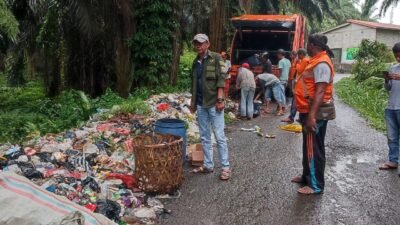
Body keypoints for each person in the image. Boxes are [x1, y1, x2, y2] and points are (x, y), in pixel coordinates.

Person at [291, 34, 335, 194]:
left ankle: (315, 185)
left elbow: (320, 91)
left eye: (308, 44)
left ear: (313, 45)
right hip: (307, 110)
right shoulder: (315, 61)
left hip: (315, 112)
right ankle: (306, 176)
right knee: (308, 146)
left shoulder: (322, 63)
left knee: (314, 148)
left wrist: (311, 116)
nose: (306, 47)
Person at [189, 33, 231, 180]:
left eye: (201, 43)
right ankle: (208, 164)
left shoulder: (216, 58)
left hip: (214, 102)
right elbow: (194, 84)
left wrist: (220, 99)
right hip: (201, 104)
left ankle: (225, 167)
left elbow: (222, 78)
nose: (198, 46)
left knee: (219, 136)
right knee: (205, 136)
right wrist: (193, 103)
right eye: (196, 43)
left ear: (208, 44)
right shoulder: (196, 63)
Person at [379, 42, 400, 171]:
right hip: (392, 106)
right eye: (396, 56)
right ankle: (393, 160)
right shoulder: (394, 68)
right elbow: (388, 88)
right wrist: (387, 80)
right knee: (392, 137)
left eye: (399, 55)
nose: (398, 58)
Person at [282, 48, 310, 123]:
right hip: (303, 86)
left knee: (296, 102)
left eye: (298, 55)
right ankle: (301, 118)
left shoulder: (304, 60)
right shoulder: (307, 60)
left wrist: (297, 64)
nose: (298, 56)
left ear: (301, 54)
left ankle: (291, 117)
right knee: (301, 103)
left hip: (301, 86)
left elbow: (300, 70)